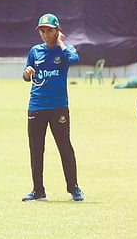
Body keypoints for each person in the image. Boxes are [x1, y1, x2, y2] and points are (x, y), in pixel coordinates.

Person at [21, 13, 84, 202]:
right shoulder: (35, 51)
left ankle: (74, 188)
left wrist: (62, 44)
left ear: (57, 30)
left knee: (65, 147)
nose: (45, 35)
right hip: (36, 106)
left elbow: (74, 60)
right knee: (36, 149)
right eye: (42, 31)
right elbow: (26, 76)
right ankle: (38, 191)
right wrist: (27, 72)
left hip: (58, 107)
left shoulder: (64, 50)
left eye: (49, 31)